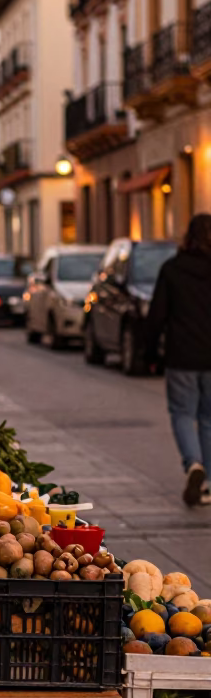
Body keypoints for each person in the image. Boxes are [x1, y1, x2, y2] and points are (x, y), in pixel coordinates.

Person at [146, 213, 211, 507]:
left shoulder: (172, 269)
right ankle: (208, 482)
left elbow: (157, 315)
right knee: (209, 419)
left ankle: (193, 463)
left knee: (183, 413)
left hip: (182, 355)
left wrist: (149, 354)